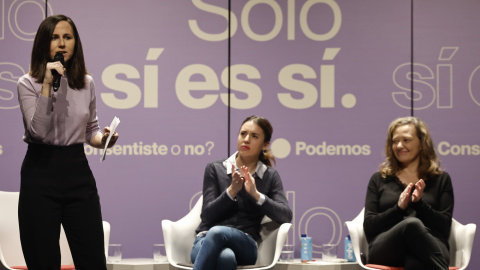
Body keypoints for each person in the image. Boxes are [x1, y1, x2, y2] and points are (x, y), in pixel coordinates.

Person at [17, 14, 118, 270]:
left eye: (67, 37)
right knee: (43, 261)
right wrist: (48, 84)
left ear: (76, 43)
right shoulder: (27, 83)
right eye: (54, 38)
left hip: (77, 174)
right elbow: (38, 132)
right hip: (39, 175)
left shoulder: (87, 83)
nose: (61, 44)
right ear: (43, 43)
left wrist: (103, 140)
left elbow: (90, 131)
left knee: (93, 260)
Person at [190, 115, 292, 270]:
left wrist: (256, 195)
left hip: (245, 243)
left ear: (265, 144)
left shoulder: (269, 176)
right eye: (243, 134)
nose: (246, 139)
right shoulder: (215, 169)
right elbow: (207, 216)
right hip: (205, 241)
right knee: (226, 257)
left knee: (218, 232)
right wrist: (231, 191)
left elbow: (285, 215)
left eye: (254, 136)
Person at [363, 117, 453, 270]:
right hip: (387, 247)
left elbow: (444, 227)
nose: (399, 145)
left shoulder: (441, 179)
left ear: (422, 143)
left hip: (431, 244)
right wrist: (398, 209)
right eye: (394, 141)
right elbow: (370, 226)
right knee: (411, 224)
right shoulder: (379, 179)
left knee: (415, 261)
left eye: (406, 140)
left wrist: (419, 204)